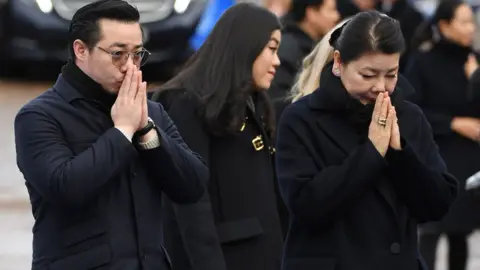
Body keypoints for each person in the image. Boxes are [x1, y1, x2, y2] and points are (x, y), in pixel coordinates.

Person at [13, 1, 208, 269]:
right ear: (81, 50)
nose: (130, 66)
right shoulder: (39, 116)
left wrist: (146, 132)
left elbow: (193, 185)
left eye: (137, 54)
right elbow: (64, 188)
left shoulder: (149, 112)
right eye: (118, 54)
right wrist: (122, 131)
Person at [275, 10, 458, 270]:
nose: (381, 86)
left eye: (391, 74)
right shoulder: (301, 118)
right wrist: (371, 153)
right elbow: (306, 206)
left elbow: (437, 204)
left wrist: (399, 154)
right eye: (368, 75)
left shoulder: (409, 116)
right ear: (338, 62)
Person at [150, 4, 284, 270]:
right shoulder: (187, 102)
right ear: (245, 44)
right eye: (271, 48)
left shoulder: (252, 100)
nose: (277, 61)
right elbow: (191, 201)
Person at [405, 1, 480, 269]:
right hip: (437, 156)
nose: (471, 28)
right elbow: (411, 108)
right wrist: (452, 123)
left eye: (472, 22)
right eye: (464, 22)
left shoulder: (474, 62)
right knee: (431, 230)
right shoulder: (423, 61)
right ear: (445, 25)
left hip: (470, 161)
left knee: (461, 232)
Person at [268, 0, 340, 103]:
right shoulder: (289, 48)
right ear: (311, 13)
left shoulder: (309, 45)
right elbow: (278, 98)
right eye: (331, 10)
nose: (336, 16)